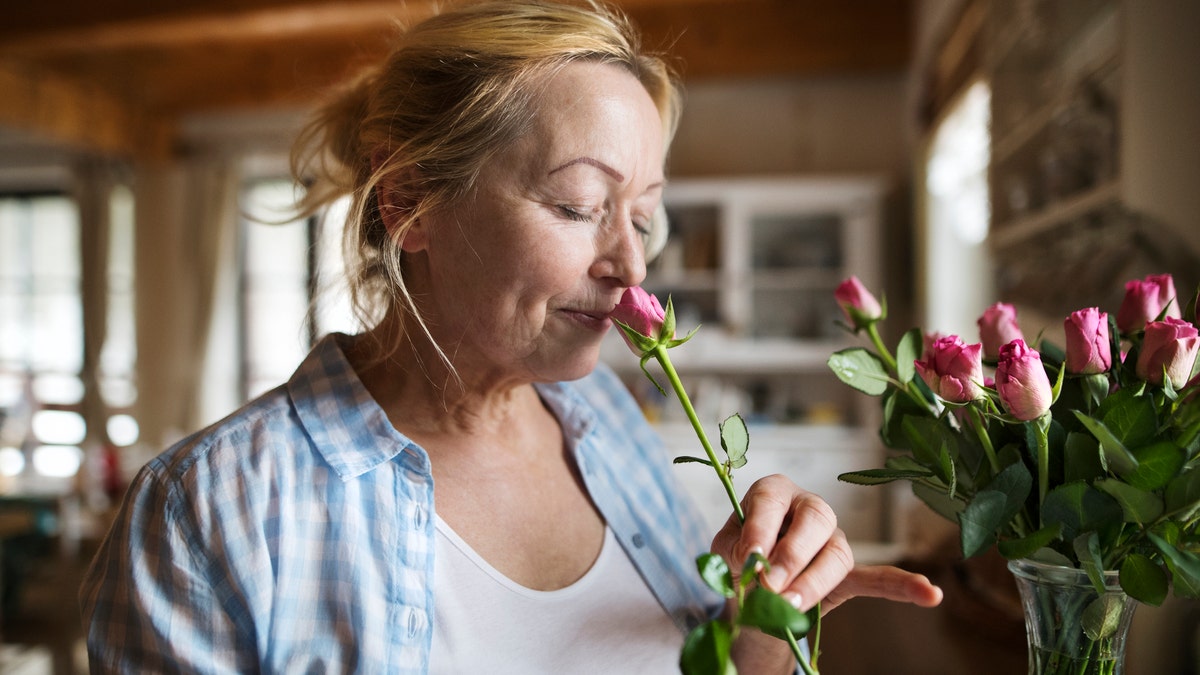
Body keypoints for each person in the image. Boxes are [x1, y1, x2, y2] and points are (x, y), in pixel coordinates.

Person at [79, 0, 942, 672]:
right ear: (408, 203)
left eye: (643, 217)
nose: (631, 268)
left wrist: (758, 633)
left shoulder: (606, 419)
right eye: (577, 206)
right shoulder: (207, 512)